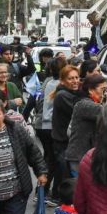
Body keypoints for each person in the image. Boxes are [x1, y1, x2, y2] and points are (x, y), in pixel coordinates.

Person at [65, 74, 107, 178]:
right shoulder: (84, 104)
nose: (104, 93)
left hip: (86, 155)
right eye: (102, 89)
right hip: (80, 156)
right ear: (90, 90)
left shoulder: (90, 103)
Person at [51, 66, 84, 190]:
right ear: (63, 81)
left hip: (68, 142)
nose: (75, 81)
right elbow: (80, 110)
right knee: (66, 178)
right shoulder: (63, 95)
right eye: (71, 78)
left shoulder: (72, 93)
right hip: (63, 142)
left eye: (76, 77)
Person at [38, 58, 66, 204]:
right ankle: (53, 194)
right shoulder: (57, 85)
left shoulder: (49, 82)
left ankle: (44, 191)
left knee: (51, 160)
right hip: (52, 126)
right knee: (55, 161)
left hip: (47, 126)